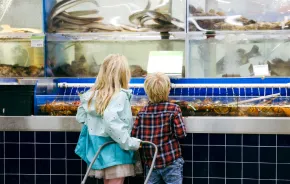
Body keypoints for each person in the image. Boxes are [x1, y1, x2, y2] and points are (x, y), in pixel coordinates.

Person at [75, 54, 141, 184]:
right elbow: (111, 122)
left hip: (97, 150)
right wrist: (130, 143)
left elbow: (81, 117)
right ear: (123, 74)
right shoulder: (120, 96)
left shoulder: (91, 94)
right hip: (115, 150)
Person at [132, 72, 187, 184]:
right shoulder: (174, 109)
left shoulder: (142, 112)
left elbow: (134, 136)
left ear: (147, 91)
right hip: (171, 161)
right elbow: (181, 134)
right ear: (168, 90)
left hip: (151, 163)